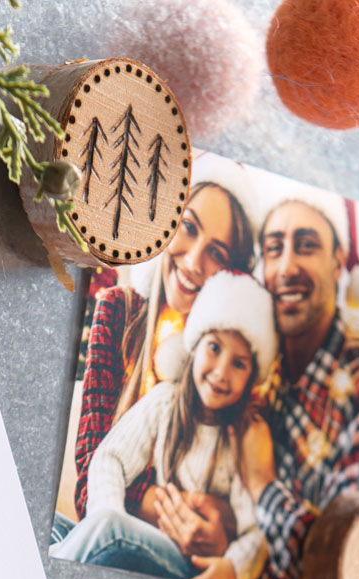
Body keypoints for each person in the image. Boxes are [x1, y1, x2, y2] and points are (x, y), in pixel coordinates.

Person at [65, 155, 260, 556]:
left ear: (232, 274)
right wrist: (175, 506)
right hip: (110, 528)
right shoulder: (116, 310)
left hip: (179, 554)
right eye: (188, 228)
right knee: (56, 533)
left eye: (218, 253)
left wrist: (223, 518)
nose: (192, 262)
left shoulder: (223, 366)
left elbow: (242, 501)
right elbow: (87, 485)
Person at [53, 272, 277, 579]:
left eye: (239, 364)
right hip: (141, 539)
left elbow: (256, 532)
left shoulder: (242, 439)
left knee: (96, 534)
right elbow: (109, 458)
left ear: (252, 375)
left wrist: (232, 569)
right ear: (195, 345)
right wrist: (108, 515)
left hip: (190, 565)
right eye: (214, 348)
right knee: (55, 529)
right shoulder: (165, 400)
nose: (221, 372)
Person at [249, 187, 359, 579]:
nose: (286, 267)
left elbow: (334, 564)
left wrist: (262, 486)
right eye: (274, 249)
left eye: (306, 246)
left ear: (339, 263)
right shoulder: (251, 367)